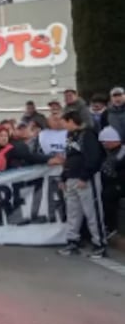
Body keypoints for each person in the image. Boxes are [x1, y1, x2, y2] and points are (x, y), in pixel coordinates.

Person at [57, 110, 107, 258]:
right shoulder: (70, 136)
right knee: (73, 212)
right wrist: (64, 177)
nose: (63, 125)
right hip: (72, 178)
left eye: (65, 122)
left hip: (85, 179)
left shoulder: (88, 135)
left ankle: (100, 244)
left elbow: (93, 157)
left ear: (71, 121)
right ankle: (73, 241)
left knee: (92, 212)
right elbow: (69, 157)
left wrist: (85, 176)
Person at [98, 127, 125, 246]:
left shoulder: (121, 154)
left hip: (119, 184)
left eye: (105, 142)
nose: (104, 145)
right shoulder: (109, 153)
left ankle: (111, 227)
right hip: (110, 183)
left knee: (107, 196)